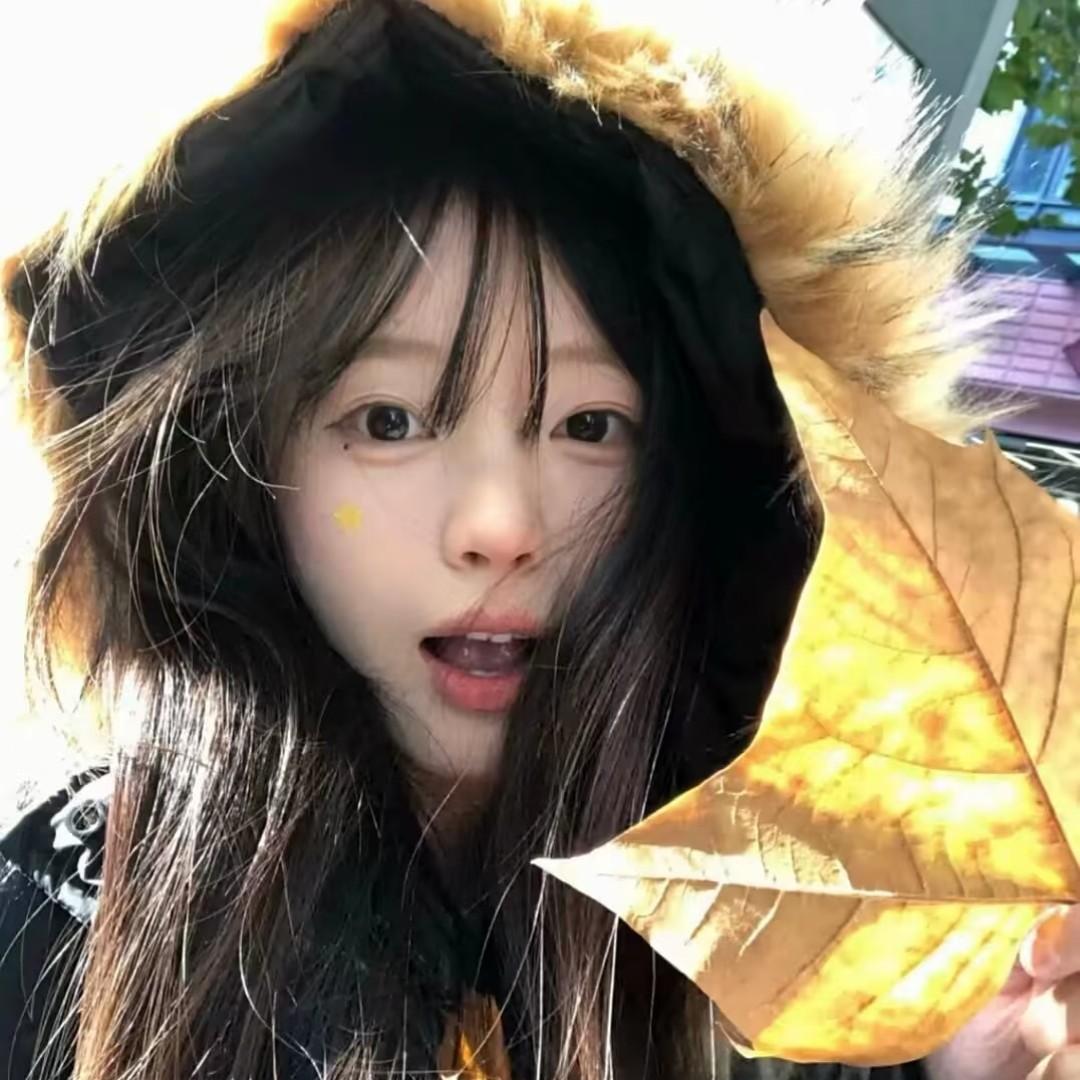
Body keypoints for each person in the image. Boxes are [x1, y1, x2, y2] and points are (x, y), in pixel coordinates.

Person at [1, 1, 1076, 1078]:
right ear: (242, 456)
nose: (501, 527)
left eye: (588, 427)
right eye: (390, 421)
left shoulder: (789, 966)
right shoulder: (61, 922)